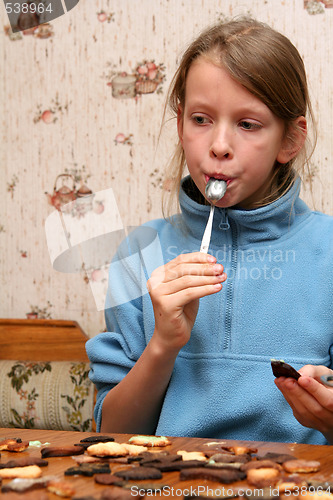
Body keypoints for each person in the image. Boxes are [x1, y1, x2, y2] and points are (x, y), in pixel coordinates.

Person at [86, 17, 333, 445]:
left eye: (248, 124)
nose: (219, 144)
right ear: (181, 125)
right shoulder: (139, 254)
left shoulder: (327, 252)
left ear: (290, 140)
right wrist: (163, 344)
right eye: (201, 119)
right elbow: (115, 434)